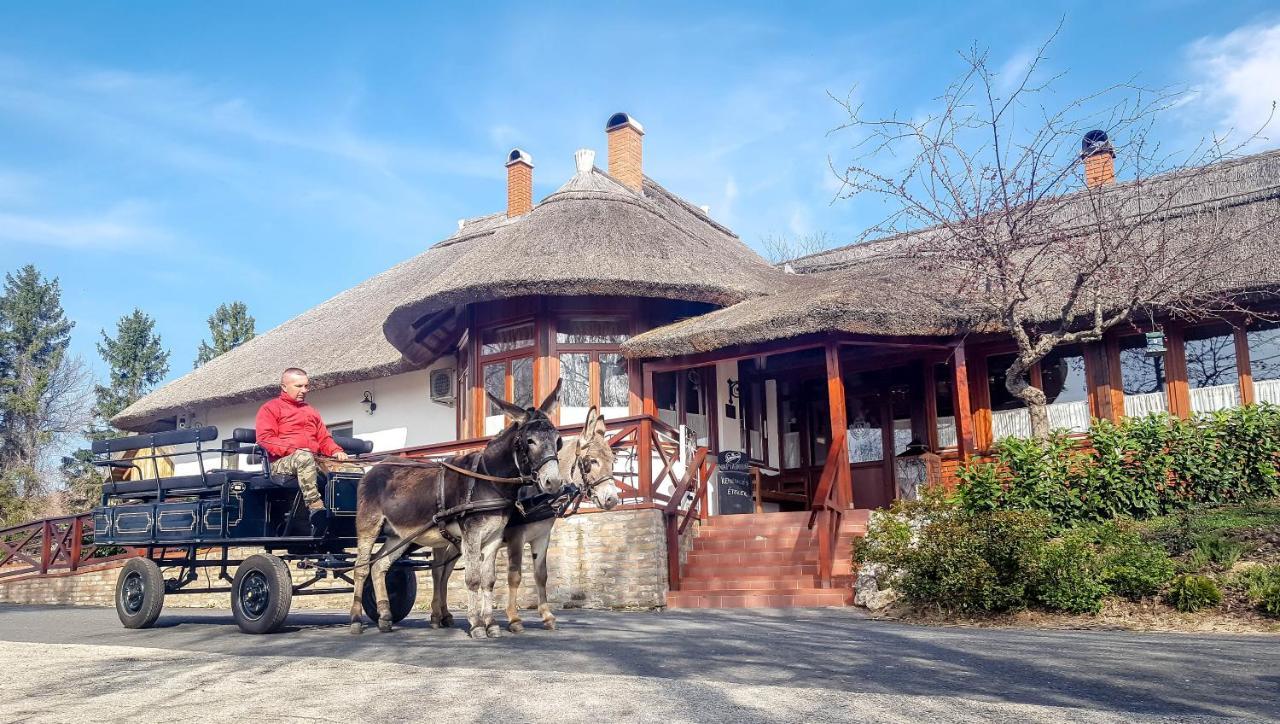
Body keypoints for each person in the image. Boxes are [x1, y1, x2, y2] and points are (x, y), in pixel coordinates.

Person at [255, 368, 350, 537]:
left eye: (306, 386)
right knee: (304, 456)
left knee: (351, 470)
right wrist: (294, 450)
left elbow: (324, 439)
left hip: (313, 459)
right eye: (299, 386)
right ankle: (316, 508)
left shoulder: (311, 411)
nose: (304, 390)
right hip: (281, 463)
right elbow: (265, 439)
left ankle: (351, 514)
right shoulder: (270, 408)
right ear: (284, 387)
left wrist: (336, 451)